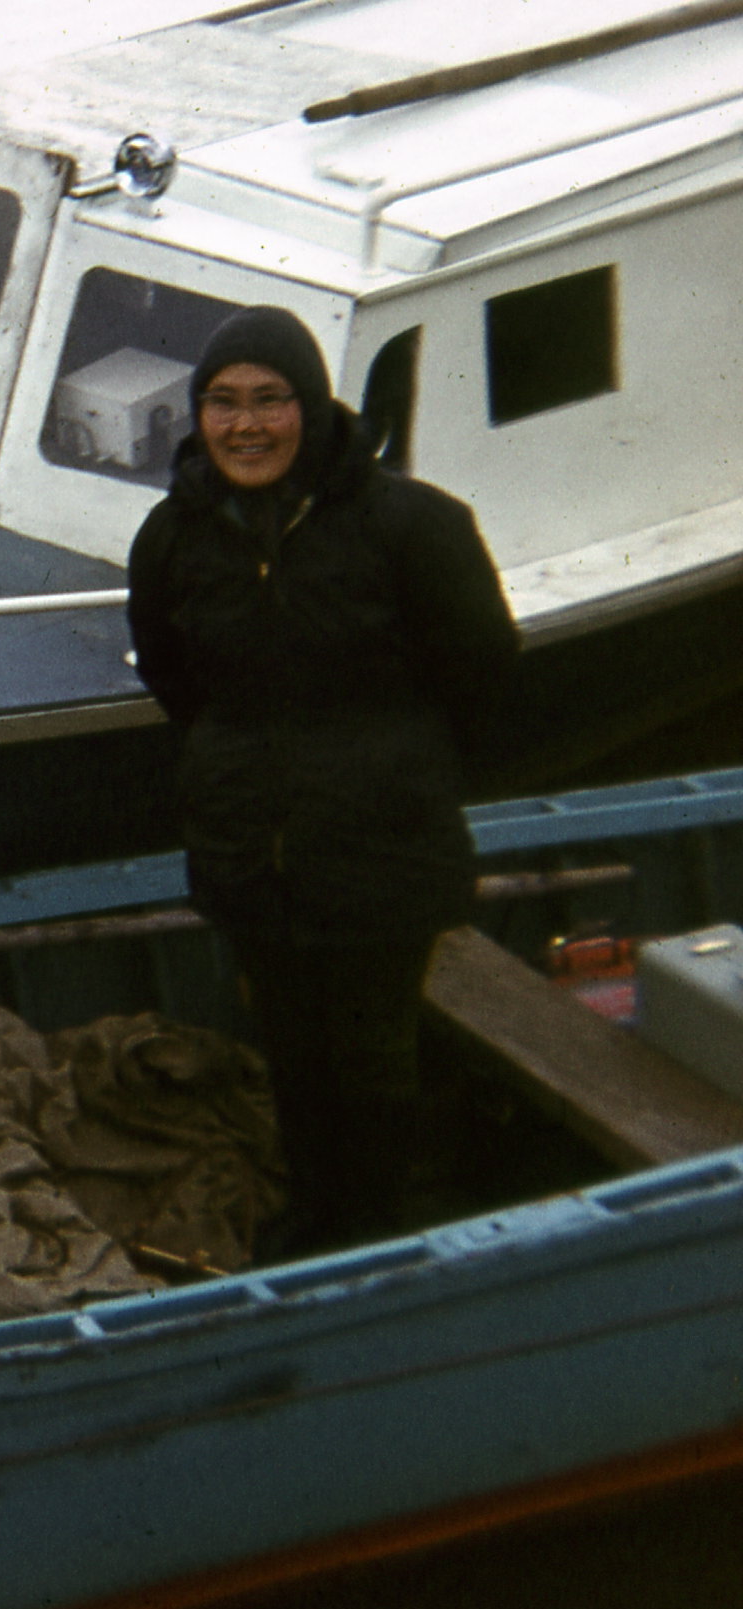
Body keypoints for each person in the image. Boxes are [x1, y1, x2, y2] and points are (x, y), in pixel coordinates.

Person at [126, 307, 518, 1250]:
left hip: (379, 851)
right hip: (249, 854)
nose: (245, 425)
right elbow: (176, 677)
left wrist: (397, 780)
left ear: (313, 405)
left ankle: (385, 1237)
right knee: (294, 1055)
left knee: (375, 1055)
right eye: (221, 402)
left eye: (270, 400)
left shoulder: (410, 525)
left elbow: (486, 673)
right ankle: (315, 1219)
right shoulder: (174, 537)